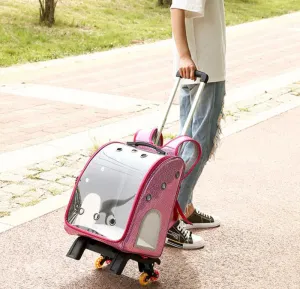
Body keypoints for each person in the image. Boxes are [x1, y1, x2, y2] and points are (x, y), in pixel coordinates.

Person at [165, 0, 226, 250]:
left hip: (201, 67)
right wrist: (184, 56)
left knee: (188, 142)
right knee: (198, 145)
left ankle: (185, 208)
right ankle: (170, 220)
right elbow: (177, 8)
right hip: (203, 70)